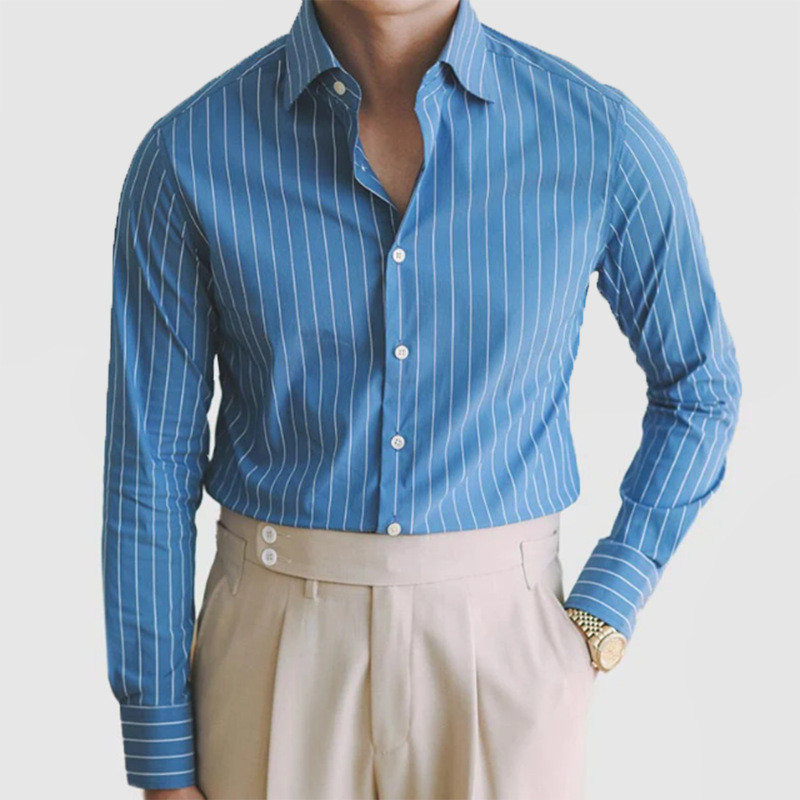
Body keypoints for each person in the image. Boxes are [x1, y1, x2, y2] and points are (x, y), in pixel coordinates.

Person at [101, 0, 742, 798]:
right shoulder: (190, 153)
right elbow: (151, 461)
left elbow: (701, 387)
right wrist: (161, 752)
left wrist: (607, 601)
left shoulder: (597, 136)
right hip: (271, 643)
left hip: (507, 651)